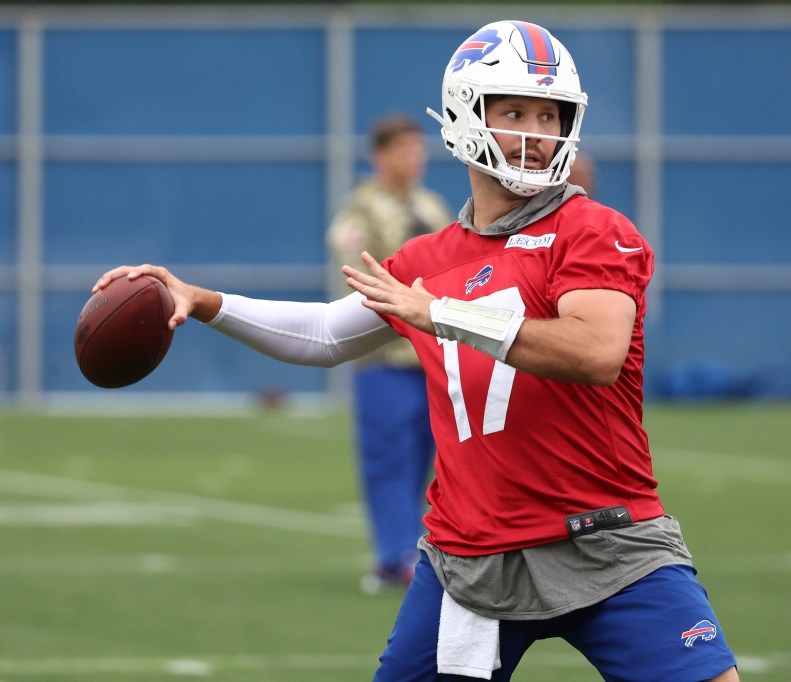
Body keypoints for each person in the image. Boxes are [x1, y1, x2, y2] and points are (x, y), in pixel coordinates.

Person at [93, 20, 740, 682]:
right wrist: (205, 302)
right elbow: (323, 335)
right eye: (513, 111)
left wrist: (443, 313)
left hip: (607, 543)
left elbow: (596, 349)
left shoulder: (592, 229)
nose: (534, 131)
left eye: (549, 115)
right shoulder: (427, 257)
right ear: (464, 114)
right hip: (473, 559)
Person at [326, 113, 450, 592]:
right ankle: (393, 553)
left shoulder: (434, 206)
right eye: (402, 149)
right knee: (388, 458)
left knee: (430, 458)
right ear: (380, 156)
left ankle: (419, 548)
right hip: (387, 358)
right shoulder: (361, 209)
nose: (413, 158)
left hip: (434, 355)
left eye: (417, 148)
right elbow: (353, 271)